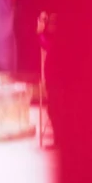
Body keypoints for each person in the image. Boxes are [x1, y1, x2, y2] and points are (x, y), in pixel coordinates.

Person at [37, 11, 59, 147]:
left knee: (55, 110)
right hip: (52, 80)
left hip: (58, 81)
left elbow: (46, 45)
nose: (48, 25)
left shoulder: (58, 39)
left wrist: (39, 32)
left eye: (51, 23)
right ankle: (58, 140)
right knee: (52, 109)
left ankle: (59, 141)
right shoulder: (53, 37)